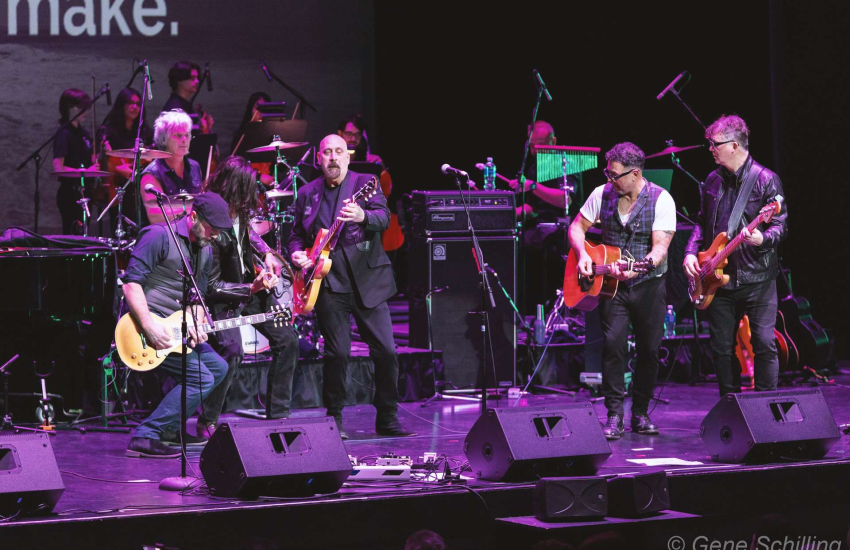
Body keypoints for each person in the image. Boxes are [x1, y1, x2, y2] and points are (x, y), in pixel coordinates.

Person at [287, 134, 412, 439]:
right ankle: (335, 419)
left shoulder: (365, 183)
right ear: (319, 158)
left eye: (338, 152)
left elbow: (384, 218)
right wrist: (296, 253)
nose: (332, 157)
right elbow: (294, 235)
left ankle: (387, 417)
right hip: (327, 284)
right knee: (337, 354)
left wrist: (362, 215)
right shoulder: (306, 193)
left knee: (385, 351)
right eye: (327, 152)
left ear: (347, 156)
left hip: (367, 281)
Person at [568, 142, 676, 439]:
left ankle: (639, 413)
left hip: (648, 285)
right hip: (613, 289)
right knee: (613, 346)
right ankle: (614, 415)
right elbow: (576, 228)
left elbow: (660, 249)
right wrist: (584, 255)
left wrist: (642, 266)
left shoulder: (661, 199)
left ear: (635, 173)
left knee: (649, 350)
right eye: (608, 172)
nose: (610, 179)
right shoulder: (602, 193)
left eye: (615, 175)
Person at [683, 115, 788, 397]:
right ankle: (730, 408)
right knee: (721, 349)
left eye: (714, 144)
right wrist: (691, 252)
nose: (710, 148)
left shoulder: (766, 179)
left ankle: (766, 407)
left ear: (733, 145)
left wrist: (762, 238)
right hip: (718, 281)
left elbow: (780, 224)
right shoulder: (712, 180)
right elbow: (700, 221)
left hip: (758, 279)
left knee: (764, 343)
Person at [196, 156, 300, 438]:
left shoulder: (239, 209)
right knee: (232, 351)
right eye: (248, 189)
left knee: (287, 340)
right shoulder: (212, 219)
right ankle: (207, 419)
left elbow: (249, 234)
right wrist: (250, 290)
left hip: (247, 287)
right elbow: (211, 286)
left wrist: (266, 252)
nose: (252, 197)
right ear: (234, 188)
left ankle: (279, 416)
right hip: (223, 296)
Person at [123, 192, 232, 458]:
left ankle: (170, 431)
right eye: (212, 228)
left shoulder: (204, 249)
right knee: (202, 377)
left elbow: (197, 295)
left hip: (176, 328)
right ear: (193, 216)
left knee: (219, 367)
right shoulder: (158, 235)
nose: (216, 235)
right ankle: (146, 435)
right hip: (142, 329)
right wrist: (148, 326)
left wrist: (196, 321)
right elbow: (130, 283)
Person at [141, 110, 203, 224]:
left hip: (192, 234)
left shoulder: (195, 166)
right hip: (163, 237)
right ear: (164, 139)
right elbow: (156, 217)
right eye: (178, 135)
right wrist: (194, 211)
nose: (184, 139)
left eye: (187, 135)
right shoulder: (151, 174)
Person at [52, 88, 94, 234]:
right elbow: (58, 167)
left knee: (84, 235)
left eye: (85, 107)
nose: (85, 111)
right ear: (68, 107)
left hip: (85, 192)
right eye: (80, 107)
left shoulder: (84, 134)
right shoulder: (63, 133)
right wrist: (84, 172)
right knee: (71, 237)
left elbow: (89, 162)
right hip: (70, 193)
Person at [161, 61, 213, 134]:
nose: (197, 81)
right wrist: (203, 131)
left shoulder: (184, 105)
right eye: (192, 78)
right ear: (179, 80)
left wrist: (204, 129)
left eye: (197, 78)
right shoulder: (175, 109)